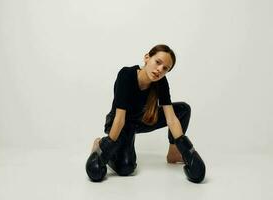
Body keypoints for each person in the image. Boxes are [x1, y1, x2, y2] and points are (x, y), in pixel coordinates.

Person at [85, 44, 205, 183]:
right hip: (120, 124)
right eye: (158, 62)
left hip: (142, 120)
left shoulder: (161, 82)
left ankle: (173, 153)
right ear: (147, 58)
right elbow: (119, 119)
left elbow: (171, 118)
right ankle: (99, 144)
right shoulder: (126, 74)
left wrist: (189, 152)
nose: (160, 69)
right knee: (126, 168)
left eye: (165, 68)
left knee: (183, 110)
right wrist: (103, 151)